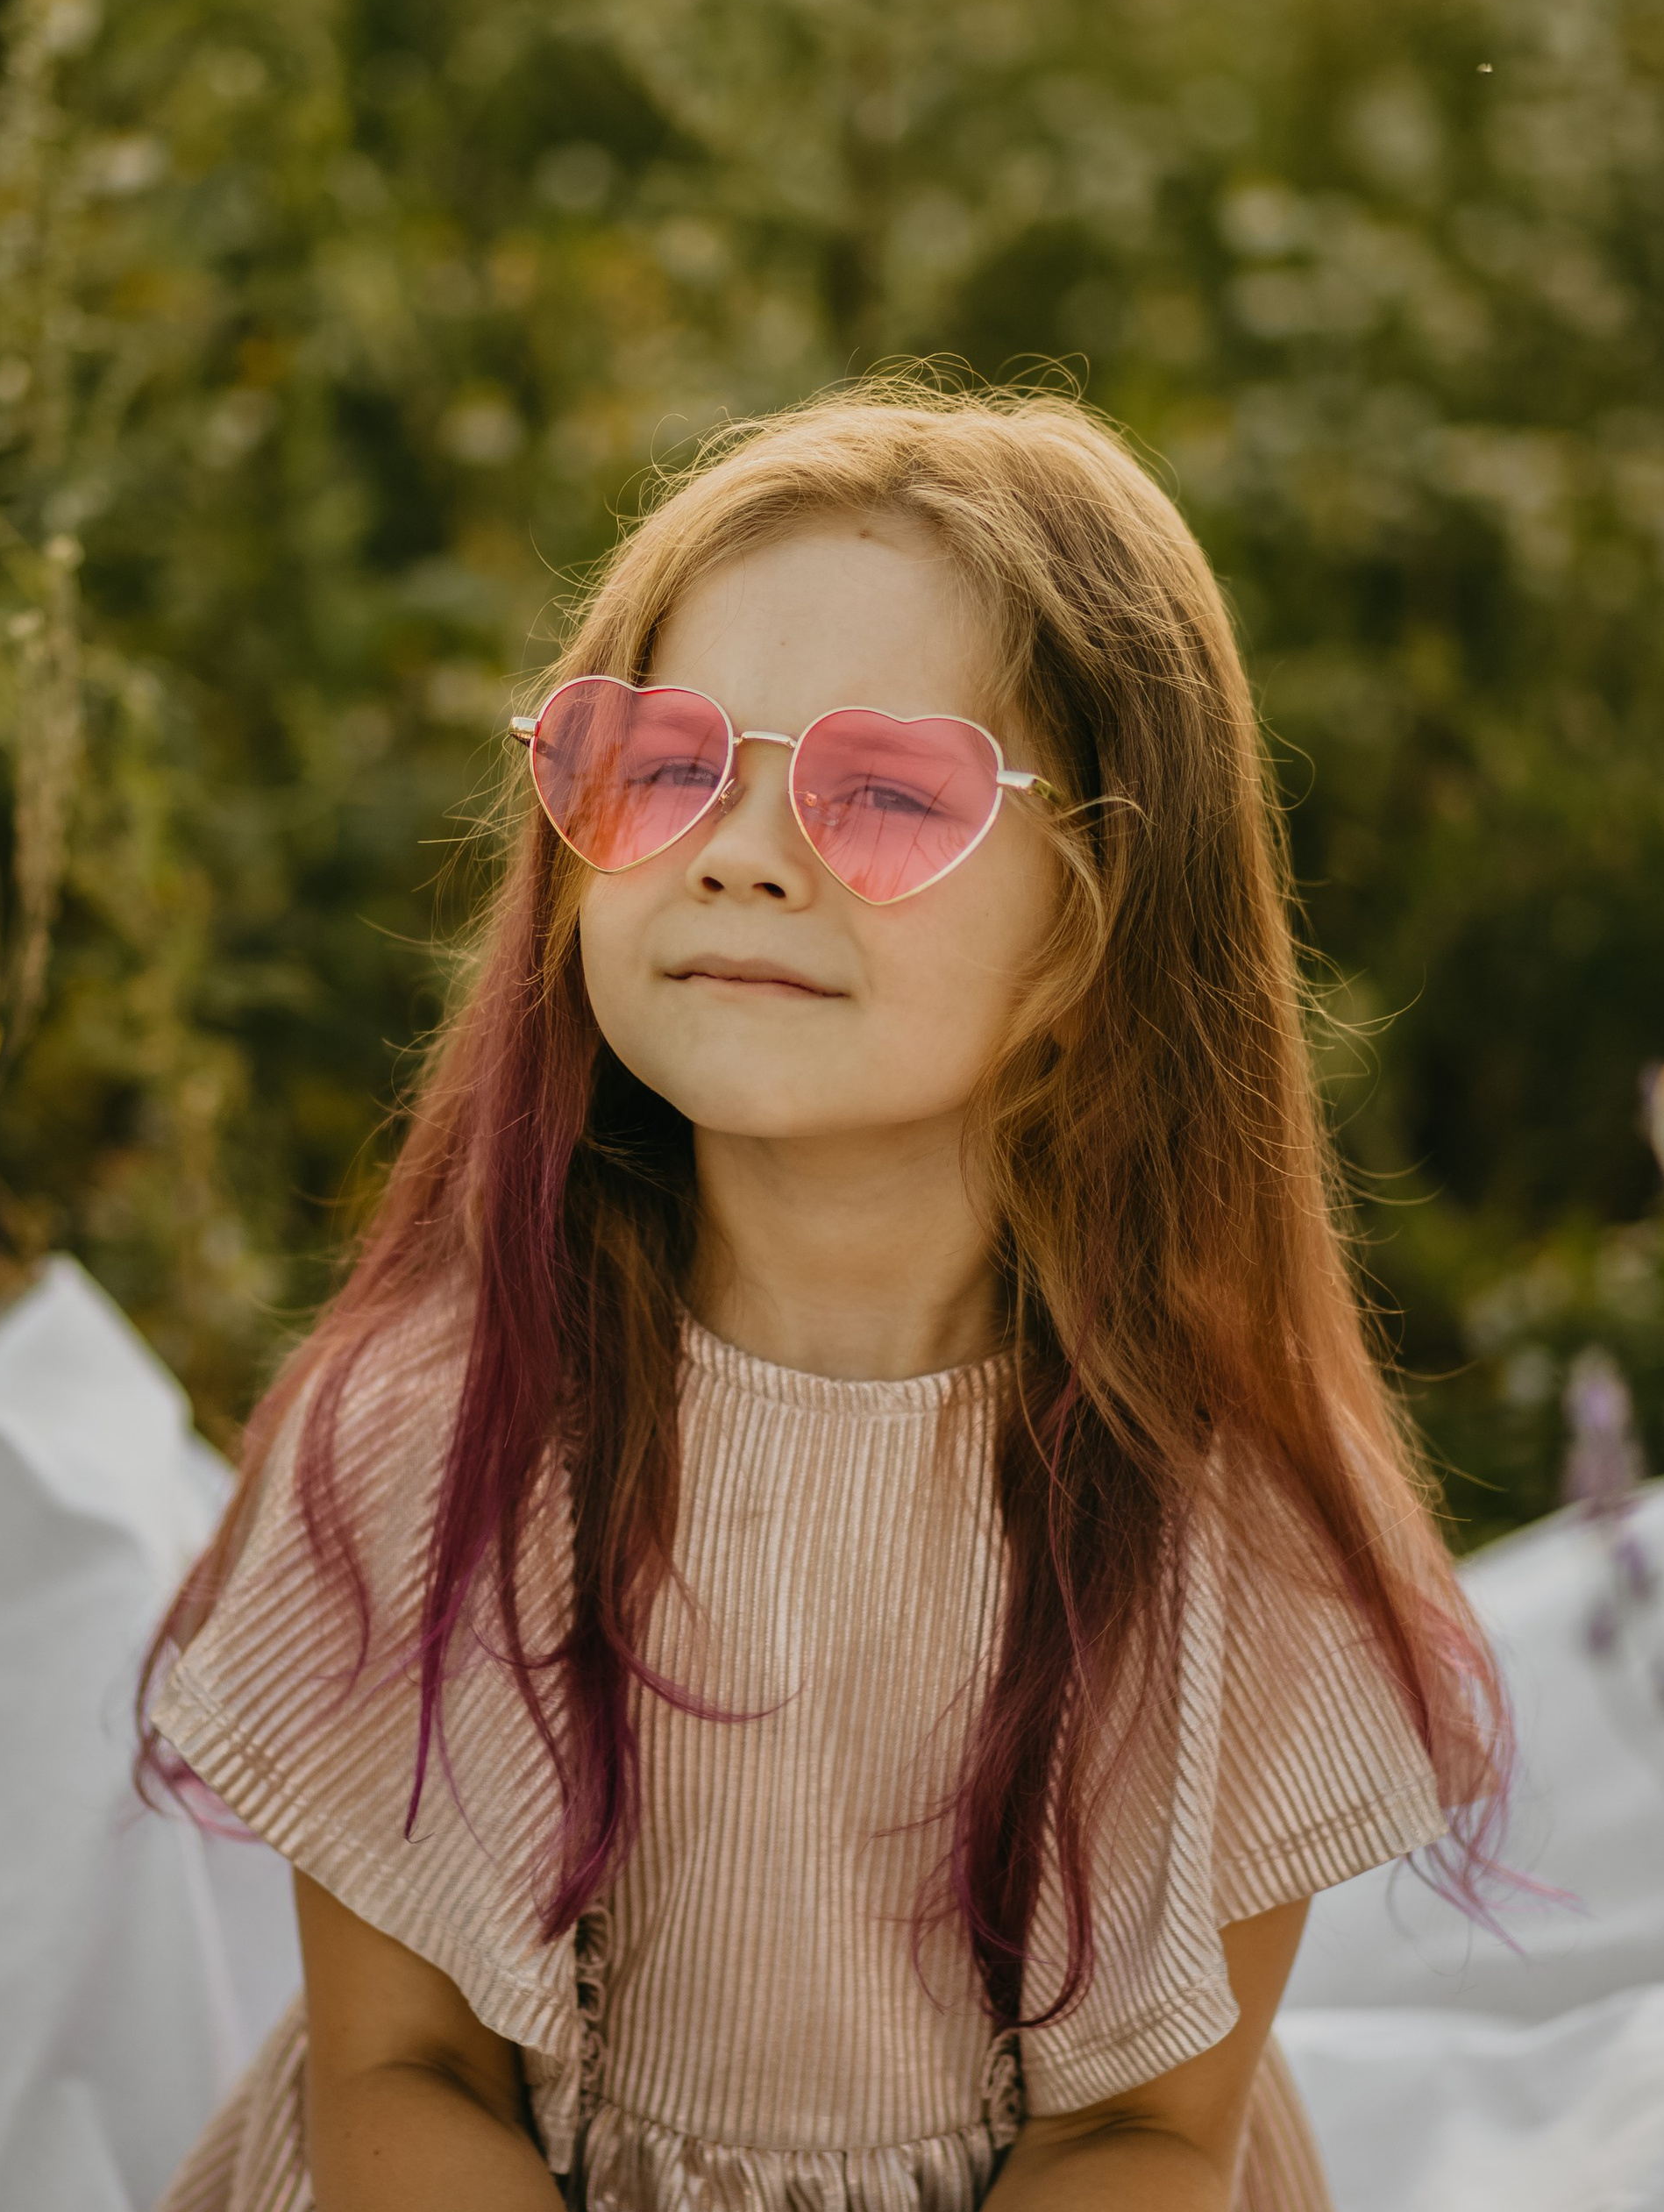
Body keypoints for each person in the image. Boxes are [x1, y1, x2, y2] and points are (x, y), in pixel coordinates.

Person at [139, 383, 1507, 2212]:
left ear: (1101, 924)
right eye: (661, 760)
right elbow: (401, 2070)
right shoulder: (441, 1425)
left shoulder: (1208, 1503)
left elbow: (1144, 2132)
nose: (736, 847)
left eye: (880, 790)